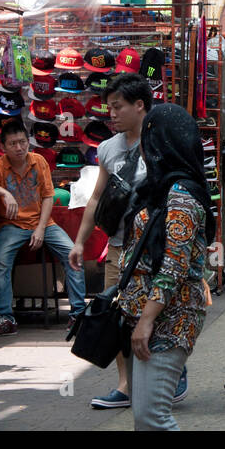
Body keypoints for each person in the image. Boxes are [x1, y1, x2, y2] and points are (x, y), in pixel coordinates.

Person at [68, 73, 183, 409]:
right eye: (109, 108)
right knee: (118, 314)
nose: (112, 114)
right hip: (119, 246)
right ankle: (126, 385)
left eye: (117, 107)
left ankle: (171, 374)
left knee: (159, 314)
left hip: (156, 249)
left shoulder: (164, 142)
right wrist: (79, 242)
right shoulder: (108, 148)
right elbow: (96, 198)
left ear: (140, 105)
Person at [116, 104, 213, 430]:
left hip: (170, 318)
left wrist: (146, 321)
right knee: (145, 416)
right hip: (150, 314)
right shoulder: (160, 187)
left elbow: (174, 265)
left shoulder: (181, 195)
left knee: (152, 416)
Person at [0, 119, 86, 337]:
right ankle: (5, 318)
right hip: (13, 225)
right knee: (0, 261)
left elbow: (48, 197)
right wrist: (4, 193)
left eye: (22, 142)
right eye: (13, 144)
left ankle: (78, 314)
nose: (19, 148)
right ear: (4, 147)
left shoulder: (39, 161)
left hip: (44, 223)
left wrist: (39, 229)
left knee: (73, 255)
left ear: (28, 142)